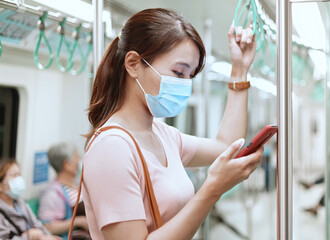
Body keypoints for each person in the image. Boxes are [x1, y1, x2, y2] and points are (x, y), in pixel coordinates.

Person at [81, 8, 262, 240]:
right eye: (178, 72)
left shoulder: (162, 134)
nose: (185, 85)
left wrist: (239, 70)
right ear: (134, 64)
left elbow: (227, 145)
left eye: (190, 76)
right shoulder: (112, 147)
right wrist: (212, 190)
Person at [39, 143, 90, 239]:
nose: (81, 162)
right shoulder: (52, 194)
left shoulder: (79, 184)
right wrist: (78, 221)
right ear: (67, 165)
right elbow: (48, 227)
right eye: (78, 159)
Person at [0, 158, 60, 240]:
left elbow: (37, 225)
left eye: (19, 174)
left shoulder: (20, 202)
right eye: (14, 175)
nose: (19, 179)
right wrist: (29, 237)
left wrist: (46, 236)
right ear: (0, 186)